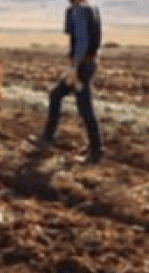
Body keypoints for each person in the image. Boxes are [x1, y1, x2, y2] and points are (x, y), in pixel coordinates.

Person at [33, 0, 104, 164]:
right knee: (56, 95)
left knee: (85, 108)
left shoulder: (78, 11)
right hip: (89, 63)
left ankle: (96, 151)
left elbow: (81, 42)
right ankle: (48, 137)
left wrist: (74, 69)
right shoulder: (92, 8)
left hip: (81, 66)